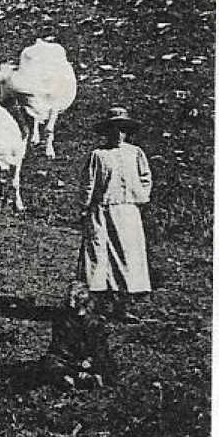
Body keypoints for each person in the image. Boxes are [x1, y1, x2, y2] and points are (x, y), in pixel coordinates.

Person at [78, 106, 154, 320]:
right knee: (99, 257)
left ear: (126, 131)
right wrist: (85, 209)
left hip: (128, 213)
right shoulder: (98, 155)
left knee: (127, 257)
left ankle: (124, 307)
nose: (117, 134)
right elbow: (88, 184)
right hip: (102, 212)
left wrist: (138, 197)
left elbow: (146, 177)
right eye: (113, 129)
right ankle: (97, 306)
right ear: (106, 131)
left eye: (121, 129)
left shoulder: (135, 153)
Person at [39, 282, 117, 388]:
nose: (71, 304)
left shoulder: (94, 322)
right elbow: (58, 344)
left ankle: (87, 377)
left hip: (89, 358)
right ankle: (78, 378)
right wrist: (76, 362)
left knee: (104, 361)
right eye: (69, 298)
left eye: (75, 299)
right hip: (69, 358)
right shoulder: (62, 319)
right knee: (50, 360)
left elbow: (99, 346)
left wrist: (89, 360)